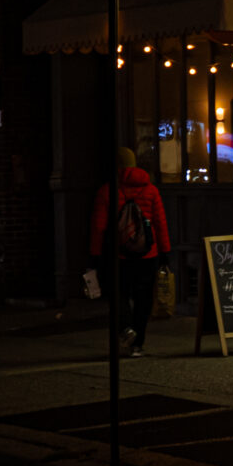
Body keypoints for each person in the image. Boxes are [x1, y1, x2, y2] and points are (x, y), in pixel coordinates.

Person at [87, 147, 169, 357]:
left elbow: (98, 227)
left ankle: (126, 329)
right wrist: (165, 252)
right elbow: (160, 224)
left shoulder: (107, 191)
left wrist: (95, 255)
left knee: (118, 294)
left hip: (120, 256)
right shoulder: (151, 191)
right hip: (147, 255)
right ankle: (137, 345)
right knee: (143, 300)